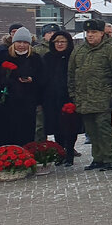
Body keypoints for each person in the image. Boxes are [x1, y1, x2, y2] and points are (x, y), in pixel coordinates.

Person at [68, 20, 112, 171]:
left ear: (102, 33)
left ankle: (109, 158)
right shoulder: (79, 50)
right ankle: (97, 158)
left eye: (94, 33)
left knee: (104, 129)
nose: (90, 35)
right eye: (88, 33)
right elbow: (71, 73)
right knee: (91, 130)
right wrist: (73, 94)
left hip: (103, 98)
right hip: (84, 98)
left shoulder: (111, 50)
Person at [0, 26, 42, 147]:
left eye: (25, 42)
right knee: (5, 135)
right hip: (5, 102)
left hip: (26, 103)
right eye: (19, 42)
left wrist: (32, 80)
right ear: (13, 42)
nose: (21, 45)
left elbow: (42, 78)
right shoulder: (2, 56)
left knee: (24, 135)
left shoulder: (35, 58)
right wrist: (6, 80)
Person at [40, 30, 79, 166]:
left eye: (63, 41)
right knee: (57, 127)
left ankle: (69, 154)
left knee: (70, 127)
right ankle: (60, 153)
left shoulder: (73, 56)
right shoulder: (47, 57)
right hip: (51, 98)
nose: (60, 44)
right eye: (57, 42)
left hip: (69, 97)